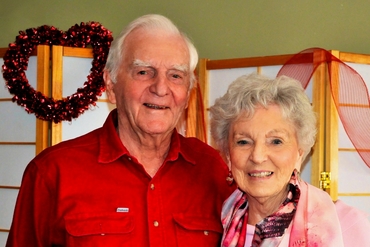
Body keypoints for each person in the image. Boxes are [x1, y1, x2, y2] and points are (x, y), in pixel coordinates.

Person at [6, 14, 235, 247]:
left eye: (176, 76)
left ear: (187, 94)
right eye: (144, 72)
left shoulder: (213, 170)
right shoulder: (52, 172)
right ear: (111, 86)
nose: (160, 88)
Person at [210, 73, 345, 246]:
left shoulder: (345, 223)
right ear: (228, 155)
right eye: (243, 142)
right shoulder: (218, 223)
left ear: (299, 152)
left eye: (276, 141)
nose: (258, 156)